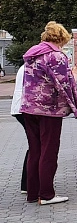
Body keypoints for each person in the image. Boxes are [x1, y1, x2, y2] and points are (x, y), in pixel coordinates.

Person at [20, 21, 77, 205]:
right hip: (49, 109)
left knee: (35, 151)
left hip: (28, 107)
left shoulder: (32, 54)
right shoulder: (56, 56)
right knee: (49, 151)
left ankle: (33, 193)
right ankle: (47, 194)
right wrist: (76, 76)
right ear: (61, 37)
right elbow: (64, 83)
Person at [10, 66, 27, 194]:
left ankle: (27, 183)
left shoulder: (26, 65)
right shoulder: (32, 65)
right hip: (26, 109)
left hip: (22, 108)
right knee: (36, 146)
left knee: (35, 146)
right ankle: (27, 183)